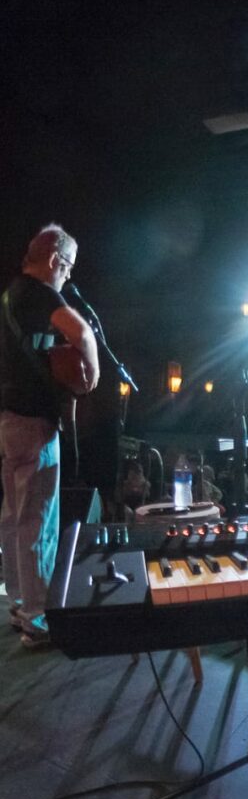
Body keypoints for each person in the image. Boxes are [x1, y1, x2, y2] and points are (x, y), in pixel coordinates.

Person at [0, 224, 99, 648]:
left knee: (14, 516)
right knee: (37, 519)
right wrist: (91, 373)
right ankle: (37, 621)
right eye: (69, 267)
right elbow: (80, 332)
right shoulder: (40, 292)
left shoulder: (10, 295)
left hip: (7, 419)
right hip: (32, 422)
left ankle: (20, 603)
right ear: (55, 260)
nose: (69, 277)